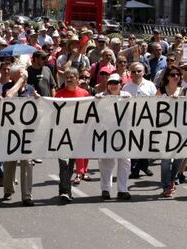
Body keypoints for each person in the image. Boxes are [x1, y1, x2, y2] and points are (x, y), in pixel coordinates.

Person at [2, 65, 38, 206]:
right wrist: (19, 82)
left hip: (27, 131)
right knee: (10, 162)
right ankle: (8, 189)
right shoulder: (8, 87)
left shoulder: (30, 89)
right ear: (14, 76)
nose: (25, 76)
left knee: (27, 162)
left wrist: (36, 98)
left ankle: (27, 195)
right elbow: (9, 96)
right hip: (11, 132)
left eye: (25, 74)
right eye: (21, 74)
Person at [54, 67, 89, 202]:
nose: (68, 80)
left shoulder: (84, 94)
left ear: (77, 79)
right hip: (62, 135)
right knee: (64, 164)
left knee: (70, 165)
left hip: (78, 135)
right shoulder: (58, 95)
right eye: (66, 77)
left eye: (71, 77)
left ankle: (64, 187)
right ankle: (65, 191)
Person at [96, 73, 132, 200]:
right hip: (107, 134)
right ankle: (105, 189)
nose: (113, 86)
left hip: (124, 134)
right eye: (110, 83)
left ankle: (122, 189)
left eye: (115, 83)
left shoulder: (127, 96)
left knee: (124, 162)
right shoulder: (102, 97)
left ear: (120, 84)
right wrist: (97, 100)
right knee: (106, 162)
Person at [123, 62, 157, 179]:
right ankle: (134, 168)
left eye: (139, 71)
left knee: (146, 144)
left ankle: (144, 165)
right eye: (133, 71)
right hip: (132, 120)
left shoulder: (150, 85)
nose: (136, 73)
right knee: (134, 144)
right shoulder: (126, 87)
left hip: (147, 119)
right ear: (129, 73)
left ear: (144, 72)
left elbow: (156, 102)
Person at [156, 65, 185, 197]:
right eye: (172, 74)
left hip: (180, 129)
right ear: (167, 76)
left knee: (179, 157)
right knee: (166, 159)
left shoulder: (184, 91)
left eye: (178, 74)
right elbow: (153, 107)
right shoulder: (161, 90)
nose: (175, 77)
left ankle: (173, 179)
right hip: (164, 129)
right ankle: (166, 185)